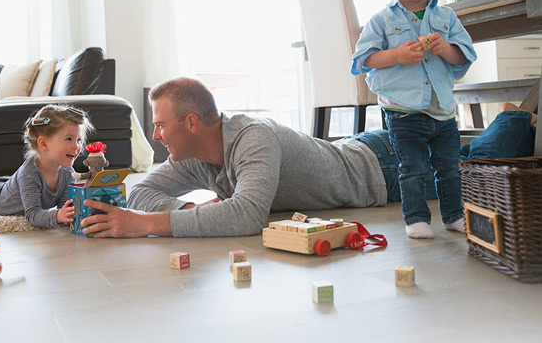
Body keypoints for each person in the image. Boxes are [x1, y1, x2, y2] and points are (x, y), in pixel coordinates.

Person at [78, 77, 536, 239]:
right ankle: (485, 131)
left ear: (193, 122)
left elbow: (247, 215)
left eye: (160, 124)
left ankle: (520, 118)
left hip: (384, 171)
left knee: (481, 169)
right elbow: (141, 188)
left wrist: (142, 224)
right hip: (366, 149)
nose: (155, 135)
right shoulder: (196, 156)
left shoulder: (252, 138)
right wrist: (185, 209)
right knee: (465, 153)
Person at [351, 0, 477, 239]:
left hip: (443, 111)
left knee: (450, 166)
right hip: (403, 111)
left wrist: (445, 48)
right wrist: (396, 55)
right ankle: (417, 219)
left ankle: (453, 215)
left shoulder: (447, 17)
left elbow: (465, 56)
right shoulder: (381, 21)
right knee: (413, 168)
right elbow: (362, 61)